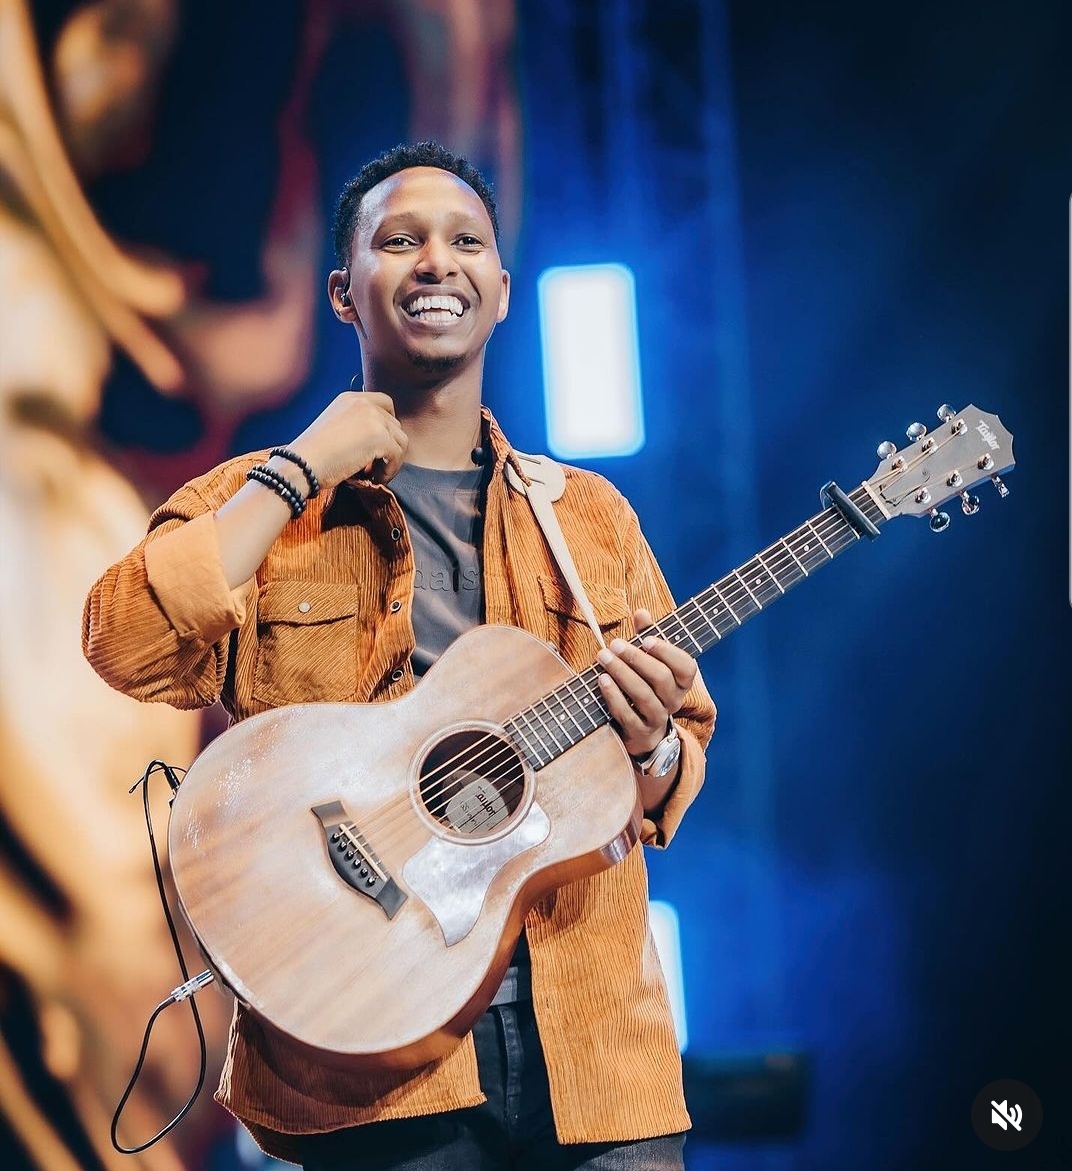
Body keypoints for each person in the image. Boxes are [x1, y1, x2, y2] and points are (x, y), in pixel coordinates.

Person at [83, 140, 716, 1170]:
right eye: (399, 240)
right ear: (344, 292)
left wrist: (650, 748)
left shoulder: (589, 515)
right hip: (369, 1053)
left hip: (600, 1058)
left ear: (500, 291)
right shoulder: (258, 500)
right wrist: (298, 470)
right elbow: (125, 640)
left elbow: (670, 763)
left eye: (466, 241)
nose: (435, 261)